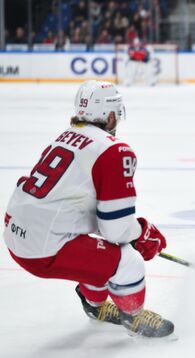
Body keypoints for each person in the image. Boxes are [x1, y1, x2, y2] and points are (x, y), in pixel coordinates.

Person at [3, 80, 174, 338]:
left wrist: (134, 232)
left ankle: (94, 305)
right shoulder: (114, 150)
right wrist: (141, 232)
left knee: (104, 251)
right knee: (129, 262)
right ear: (111, 115)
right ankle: (133, 317)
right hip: (43, 249)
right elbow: (116, 230)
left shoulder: (64, 136)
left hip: (15, 233)